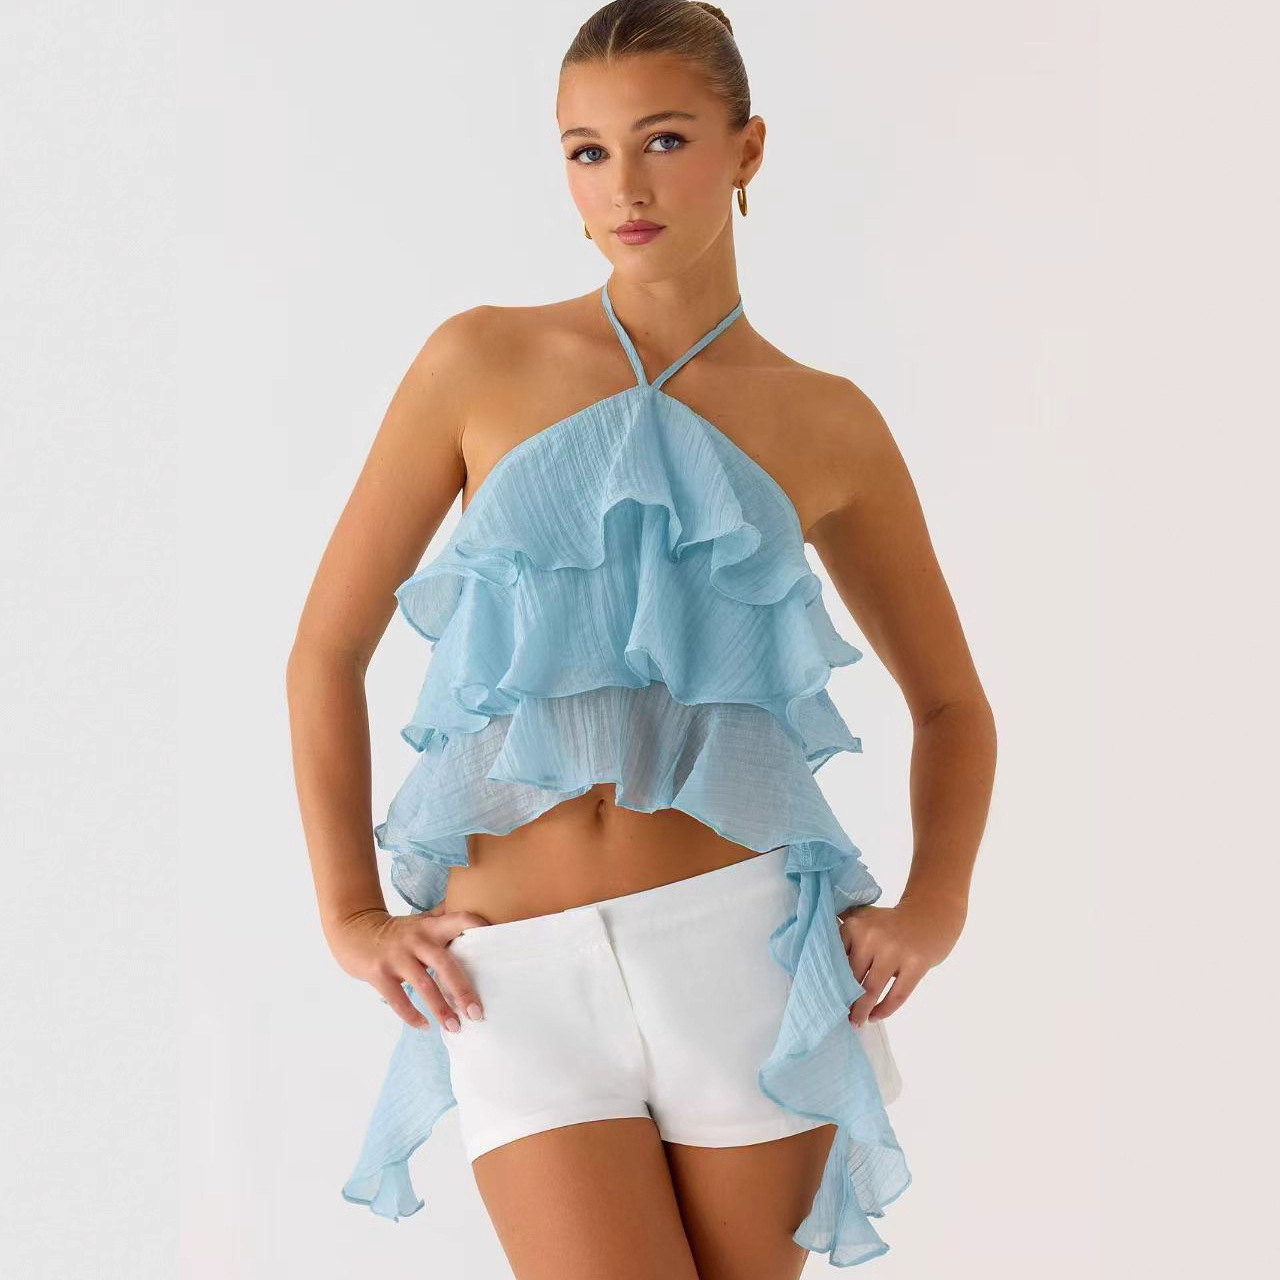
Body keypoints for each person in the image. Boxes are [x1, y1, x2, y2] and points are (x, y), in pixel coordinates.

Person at [285, 2, 996, 1275]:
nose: (623, 184)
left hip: (739, 955)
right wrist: (347, 909)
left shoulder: (827, 420)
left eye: (662, 139)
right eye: (587, 150)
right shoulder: (477, 360)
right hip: (507, 974)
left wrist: (934, 903)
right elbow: (325, 649)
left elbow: (951, 703)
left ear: (747, 147)